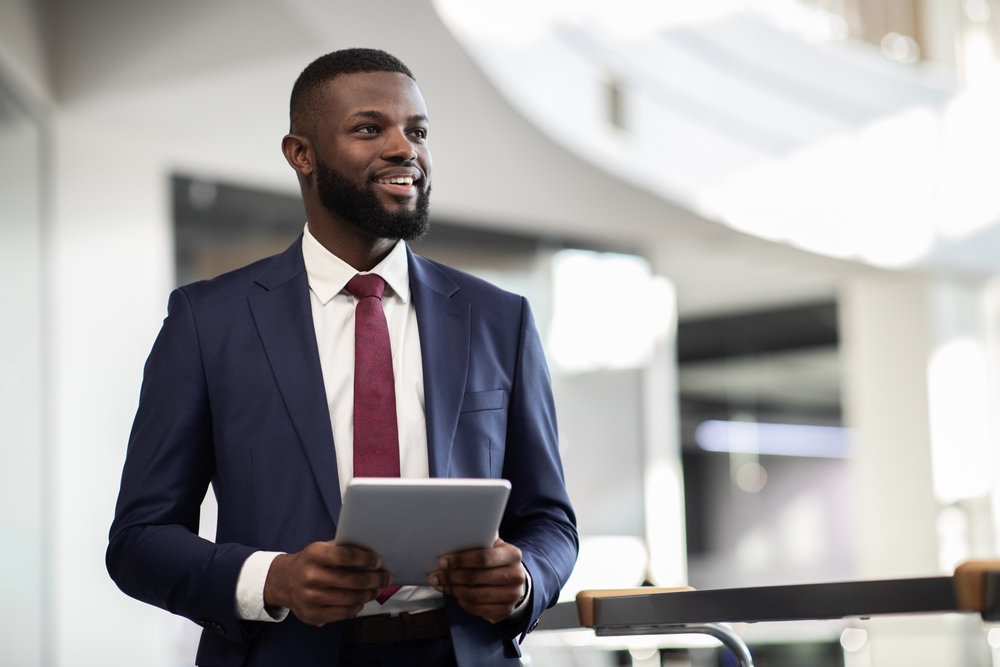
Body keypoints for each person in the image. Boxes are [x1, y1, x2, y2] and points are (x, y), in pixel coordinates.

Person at [107, 48, 578, 666]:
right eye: (368, 128)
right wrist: (272, 579)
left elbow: (550, 521)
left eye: (418, 131)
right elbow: (139, 542)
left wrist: (524, 581)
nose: (404, 148)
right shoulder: (208, 321)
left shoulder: (499, 319)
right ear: (300, 154)